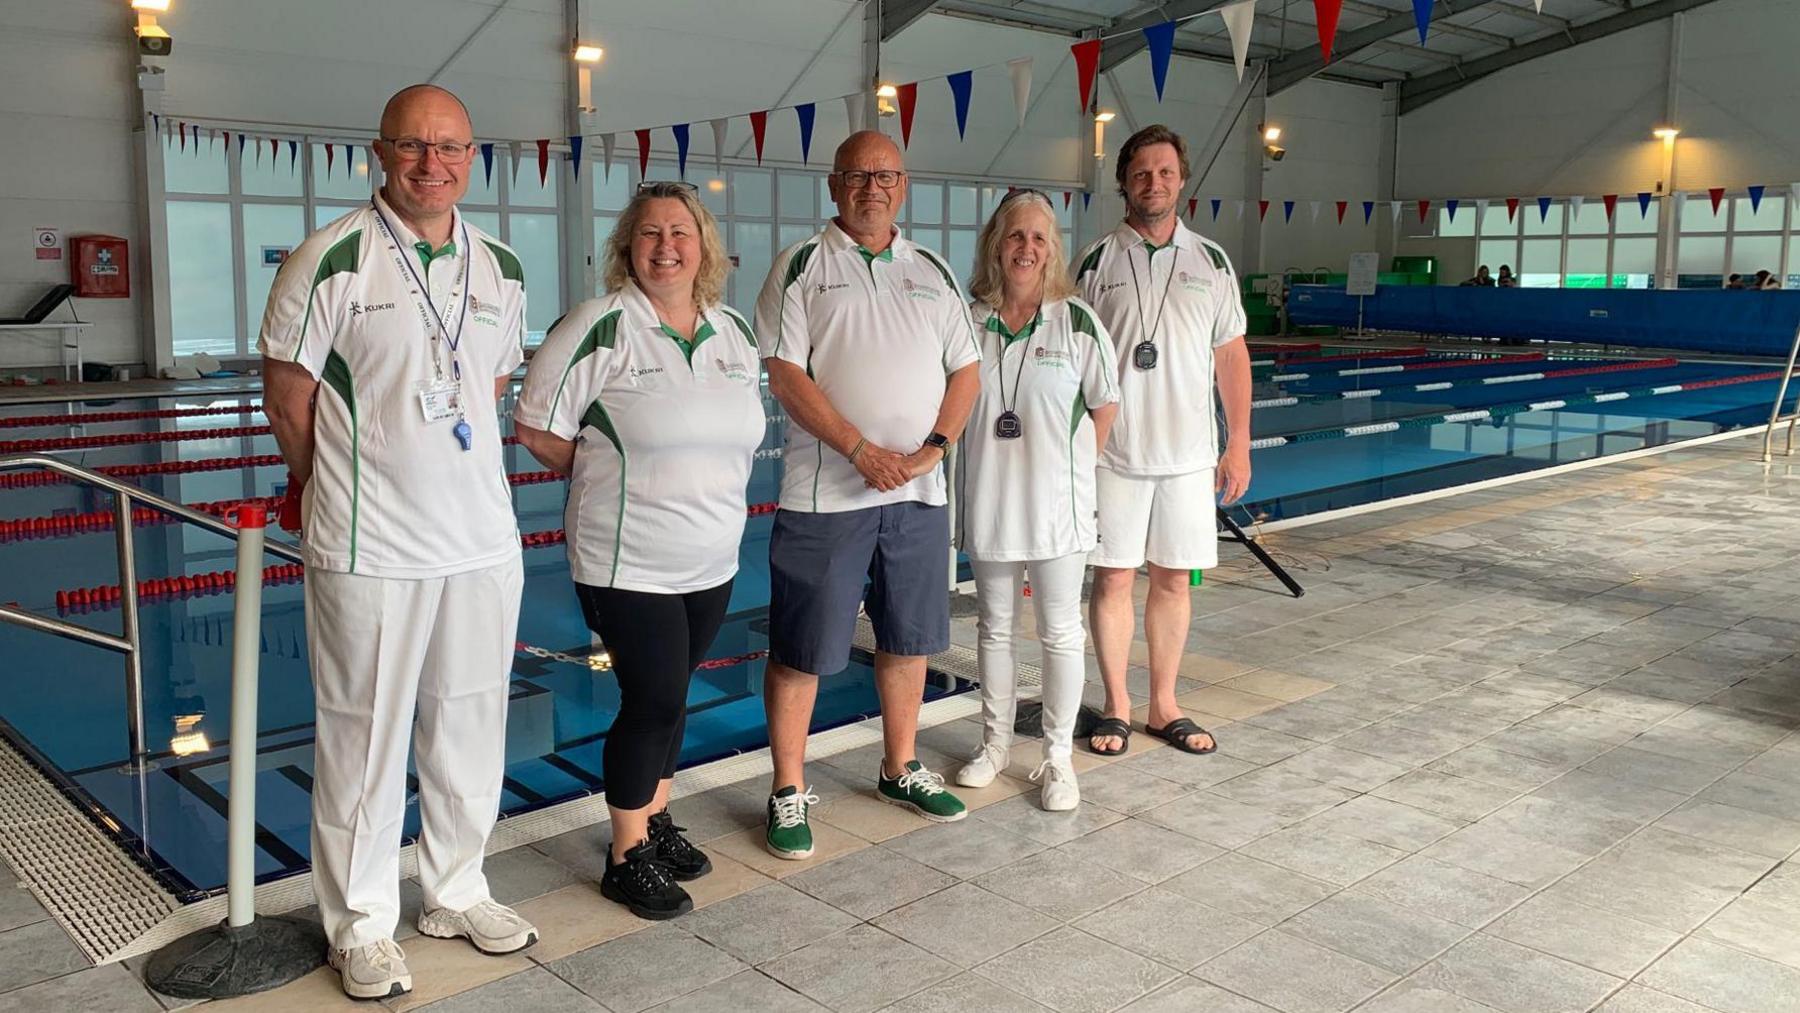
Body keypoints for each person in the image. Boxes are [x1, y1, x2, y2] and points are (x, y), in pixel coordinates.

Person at [259, 84, 535, 1000]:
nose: (432, 164)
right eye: (414, 146)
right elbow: (288, 397)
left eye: (450, 147)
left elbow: (484, 390)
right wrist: (316, 482)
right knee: (363, 740)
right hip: (370, 543)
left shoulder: (500, 265)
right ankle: (362, 923)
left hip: (481, 542)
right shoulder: (329, 259)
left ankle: (457, 888)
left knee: (469, 727)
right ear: (380, 152)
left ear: (472, 155)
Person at [514, 182, 762, 919]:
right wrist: (603, 471)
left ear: (704, 246)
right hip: (629, 557)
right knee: (651, 697)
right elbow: (536, 425)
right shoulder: (600, 324)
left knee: (675, 696)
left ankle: (654, 819)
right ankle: (625, 856)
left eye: (680, 232)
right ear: (628, 247)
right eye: (650, 233)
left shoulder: (734, 331)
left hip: (711, 554)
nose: (666, 246)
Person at [754, 130, 981, 858]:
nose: (871, 187)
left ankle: (900, 765)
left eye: (884, 175)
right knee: (802, 647)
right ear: (834, 185)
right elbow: (786, 374)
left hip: (917, 492)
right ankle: (788, 789)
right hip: (826, 494)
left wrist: (931, 451)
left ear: (903, 185)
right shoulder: (801, 266)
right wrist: (858, 448)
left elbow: (966, 372)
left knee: (908, 637)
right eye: (857, 175)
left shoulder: (932, 268)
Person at [1075, 124, 1253, 758]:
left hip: (1188, 457)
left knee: (1175, 580)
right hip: (1114, 455)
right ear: (1124, 181)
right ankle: (1118, 706)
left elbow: (1231, 355)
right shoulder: (1095, 261)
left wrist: (1240, 444)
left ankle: (1165, 705)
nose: (1155, 182)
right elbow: (1076, 360)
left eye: (1166, 172)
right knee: (1114, 580)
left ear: (1182, 180)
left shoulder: (1212, 260)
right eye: (1143, 172)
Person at [955, 190, 1117, 810]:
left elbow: (1105, 405)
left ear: (1052, 251)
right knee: (995, 630)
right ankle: (993, 746)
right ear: (997, 243)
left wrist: (1071, 469)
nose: (1027, 248)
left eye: (1039, 238)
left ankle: (1057, 760)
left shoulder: (1076, 321)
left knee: (1059, 634)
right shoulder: (969, 320)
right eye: (1016, 236)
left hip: (1058, 510)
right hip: (991, 501)